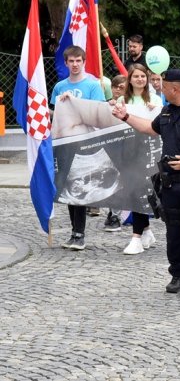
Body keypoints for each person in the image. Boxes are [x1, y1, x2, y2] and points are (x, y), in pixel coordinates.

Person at [112, 69, 180, 303]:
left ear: (174, 88)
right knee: (174, 232)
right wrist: (125, 116)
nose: (159, 88)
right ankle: (177, 275)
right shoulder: (166, 112)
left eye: (163, 85)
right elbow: (150, 128)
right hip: (171, 184)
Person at [51, 46, 106, 250]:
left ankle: (79, 233)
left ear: (84, 62)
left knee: (79, 184)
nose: (75, 64)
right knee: (67, 186)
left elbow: (97, 113)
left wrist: (75, 103)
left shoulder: (92, 85)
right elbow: (56, 115)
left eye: (78, 61)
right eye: (71, 61)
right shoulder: (59, 87)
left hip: (85, 141)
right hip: (64, 142)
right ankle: (74, 230)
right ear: (66, 63)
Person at [119, 64, 163, 255]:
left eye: (143, 76)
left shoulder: (154, 98)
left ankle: (136, 237)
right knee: (134, 191)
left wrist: (156, 109)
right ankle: (145, 230)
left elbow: (159, 123)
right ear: (130, 79)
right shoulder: (123, 99)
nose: (140, 79)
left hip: (147, 150)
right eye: (136, 76)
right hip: (128, 150)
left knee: (141, 191)